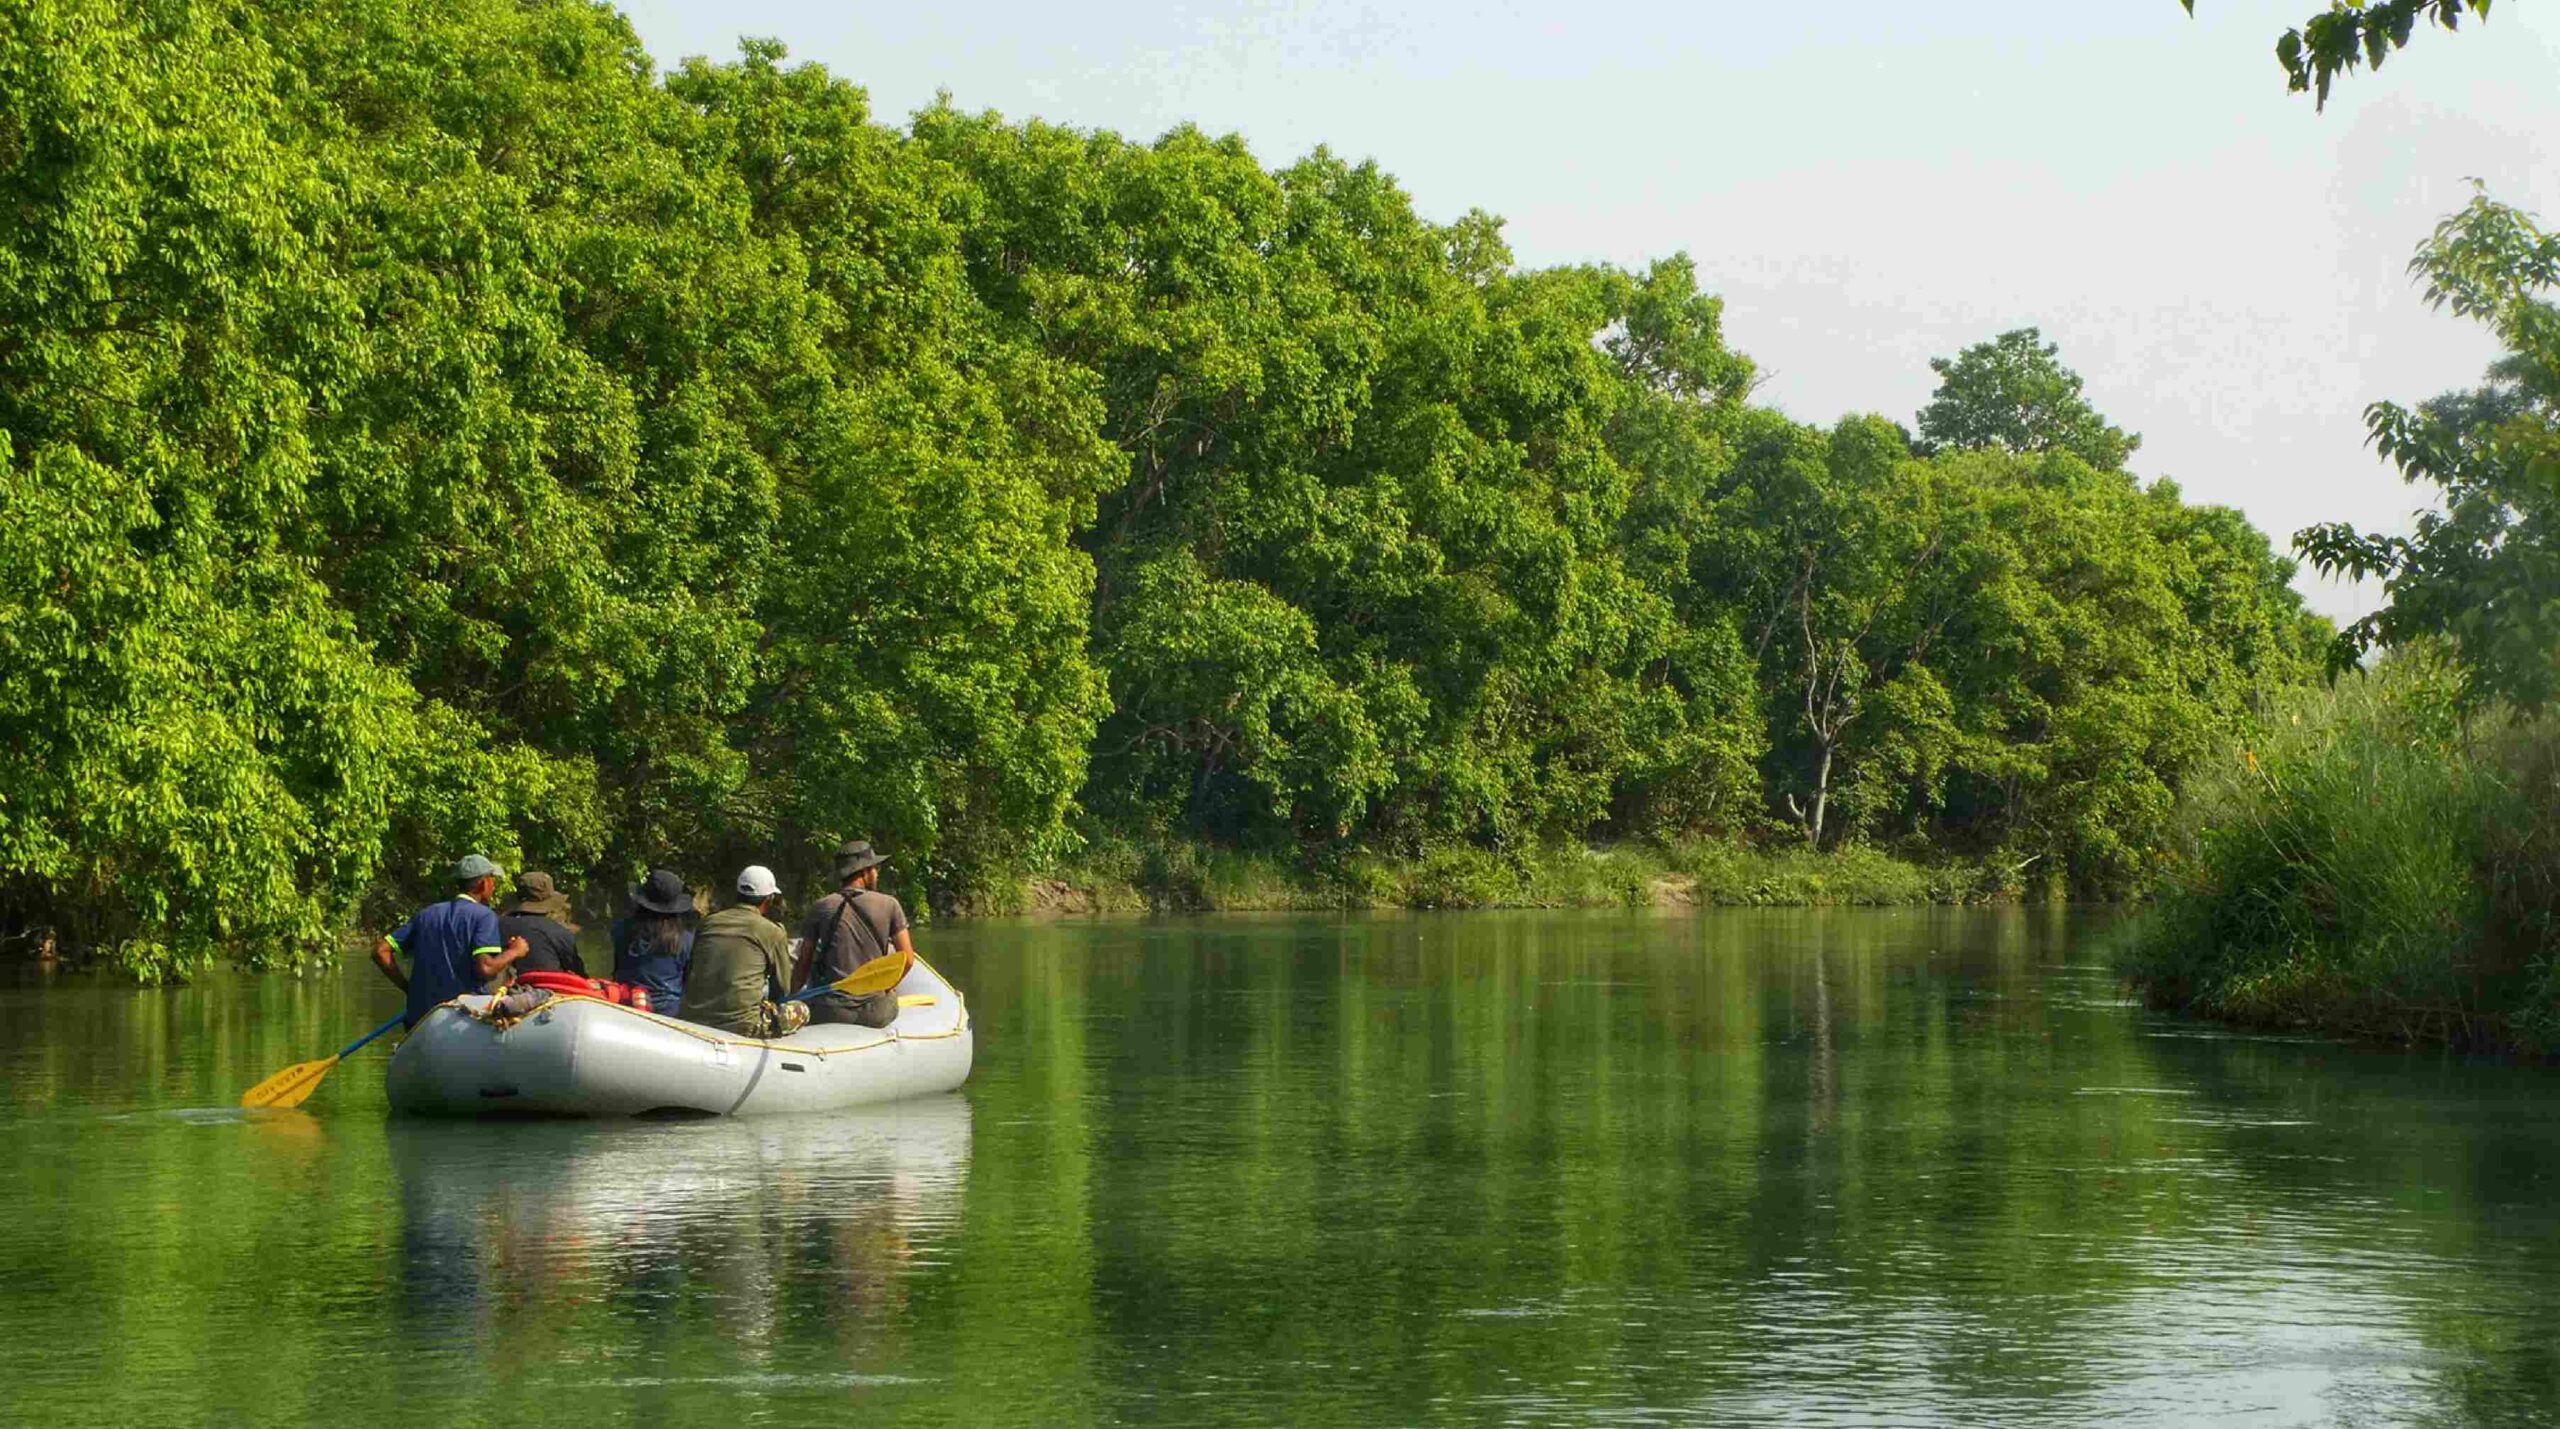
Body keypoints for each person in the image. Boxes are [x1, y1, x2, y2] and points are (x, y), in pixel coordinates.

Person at [372, 855, 530, 1028]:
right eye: (492, 880)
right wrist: (515, 950)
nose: (493, 886)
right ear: (483, 883)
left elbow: (380, 950)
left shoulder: (427, 914)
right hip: (463, 1019)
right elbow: (486, 968)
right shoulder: (484, 916)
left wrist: (409, 989)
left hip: (420, 1015)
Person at [681, 865, 809, 1038]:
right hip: (743, 1025)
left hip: (694, 1017)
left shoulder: (708, 923)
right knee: (802, 1009)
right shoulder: (773, 931)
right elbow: (783, 988)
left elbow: (691, 971)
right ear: (769, 899)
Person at [792, 840, 909, 1028]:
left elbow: (803, 963)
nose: (877, 873)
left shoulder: (821, 906)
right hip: (874, 1011)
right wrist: (889, 986)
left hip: (830, 1010)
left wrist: (793, 998)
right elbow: (908, 959)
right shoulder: (889, 904)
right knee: (891, 998)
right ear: (865, 871)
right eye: (875, 868)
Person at [612, 867, 695, 1014]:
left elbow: (617, 970)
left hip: (626, 1006)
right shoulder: (685, 940)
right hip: (667, 1013)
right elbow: (689, 984)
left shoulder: (620, 929)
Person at [499, 871, 584, 977]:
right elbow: (579, 974)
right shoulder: (559, 932)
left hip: (503, 988)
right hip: (548, 988)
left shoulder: (494, 925)